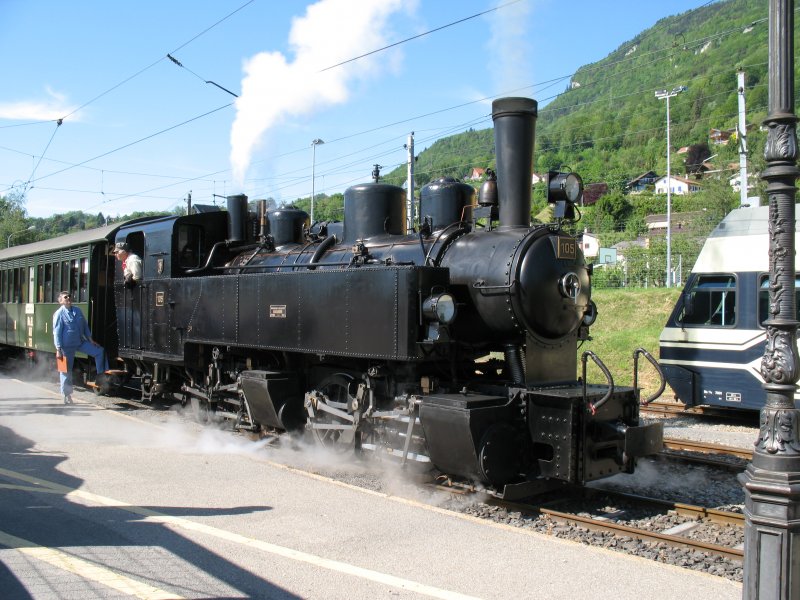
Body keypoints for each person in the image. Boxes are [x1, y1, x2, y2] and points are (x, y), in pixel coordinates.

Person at [53, 291, 109, 404]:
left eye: (69, 296)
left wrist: (91, 340)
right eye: (65, 297)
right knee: (66, 371)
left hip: (79, 342)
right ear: (60, 301)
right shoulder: (59, 314)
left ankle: (101, 378)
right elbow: (56, 332)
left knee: (100, 351)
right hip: (66, 347)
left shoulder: (77, 311)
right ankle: (66, 395)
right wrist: (58, 349)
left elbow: (85, 326)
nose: (68, 298)